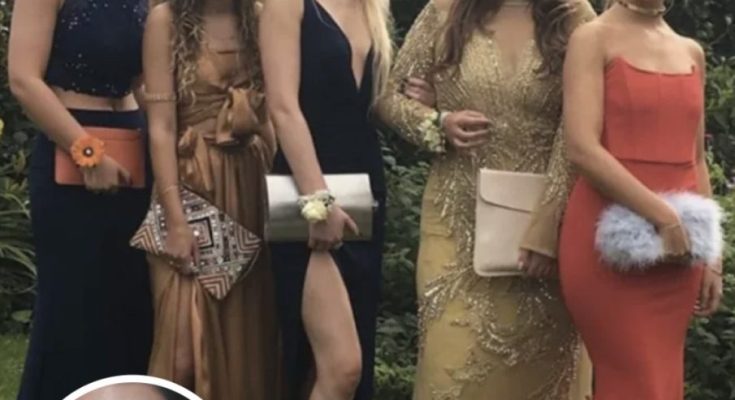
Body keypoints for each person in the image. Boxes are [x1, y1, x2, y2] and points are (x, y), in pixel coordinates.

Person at [376, 0, 596, 398]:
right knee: (449, 366)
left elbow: (581, 129)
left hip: (548, 226)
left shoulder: (574, 15)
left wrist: (546, 227)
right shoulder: (444, 10)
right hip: (455, 223)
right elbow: (390, 96)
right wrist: (437, 123)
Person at [559, 0, 723, 399]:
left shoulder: (691, 51)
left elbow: (696, 159)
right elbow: (581, 148)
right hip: (606, 247)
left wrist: (713, 256)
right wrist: (664, 217)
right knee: (635, 382)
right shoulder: (591, 38)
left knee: (663, 383)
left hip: (679, 255)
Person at [7, 0, 153, 398]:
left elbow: (144, 81)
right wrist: (87, 152)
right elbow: (23, 79)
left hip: (135, 151)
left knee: (132, 307)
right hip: (69, 155)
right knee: (73, 310)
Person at [142, 0, 279, 398]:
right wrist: (176, 219)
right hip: (190, 182)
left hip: (250, 184)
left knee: (245, 337)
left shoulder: (261, 17)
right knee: (181, 352)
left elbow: (274, 114)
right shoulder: (165, 20)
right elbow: (161, 129)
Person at [259, 0, 392, 398]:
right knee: (342, 367)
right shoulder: (288, 6)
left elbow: (372, 106)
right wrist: (318, 200)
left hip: (365, 194)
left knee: (346, 369)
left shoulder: (373, 8)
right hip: (307, 195)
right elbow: (283, 108)